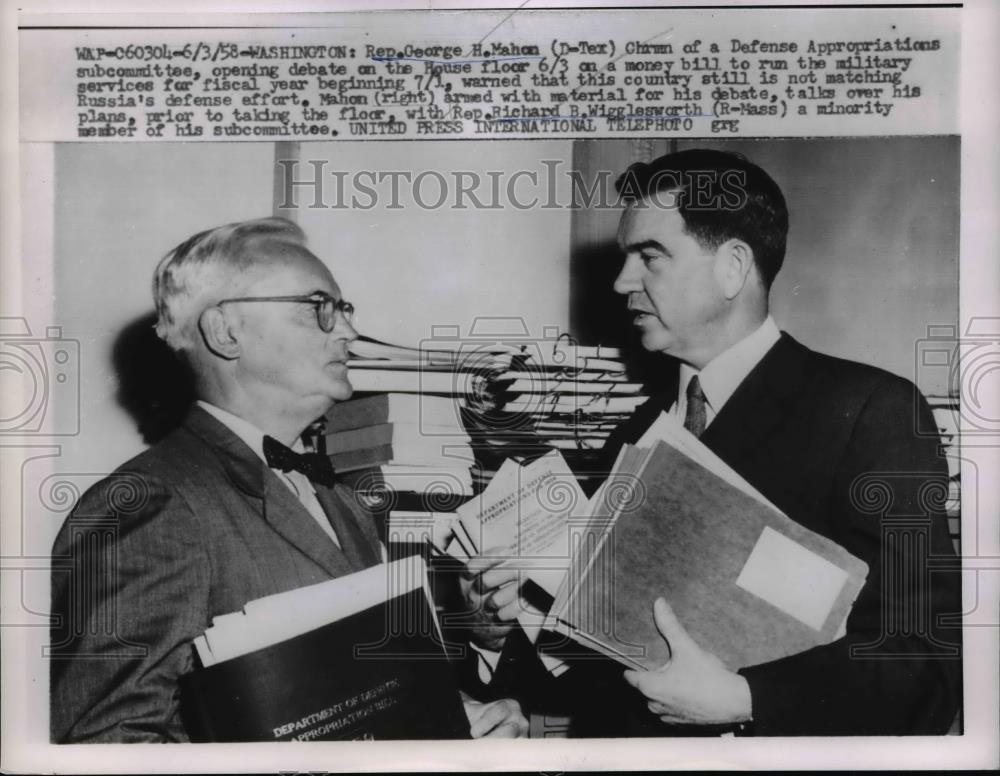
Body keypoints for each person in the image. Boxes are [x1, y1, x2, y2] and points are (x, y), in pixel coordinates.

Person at [464, 148, 962, 736]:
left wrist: (750, 699)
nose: (623, 282)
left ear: (733, 267)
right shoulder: (633, 433)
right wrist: (495, 635)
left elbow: (928, 659)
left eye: (650, 256)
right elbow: (591, 661)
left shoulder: (869, 412)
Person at [50, 217, 527, 743]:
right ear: (224, 331)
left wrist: (461, 711)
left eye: (344, 309)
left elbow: (372, 693)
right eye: (317, 307)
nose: (347, 330)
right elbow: (106, 749)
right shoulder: (149, 503)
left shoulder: (338, 496)